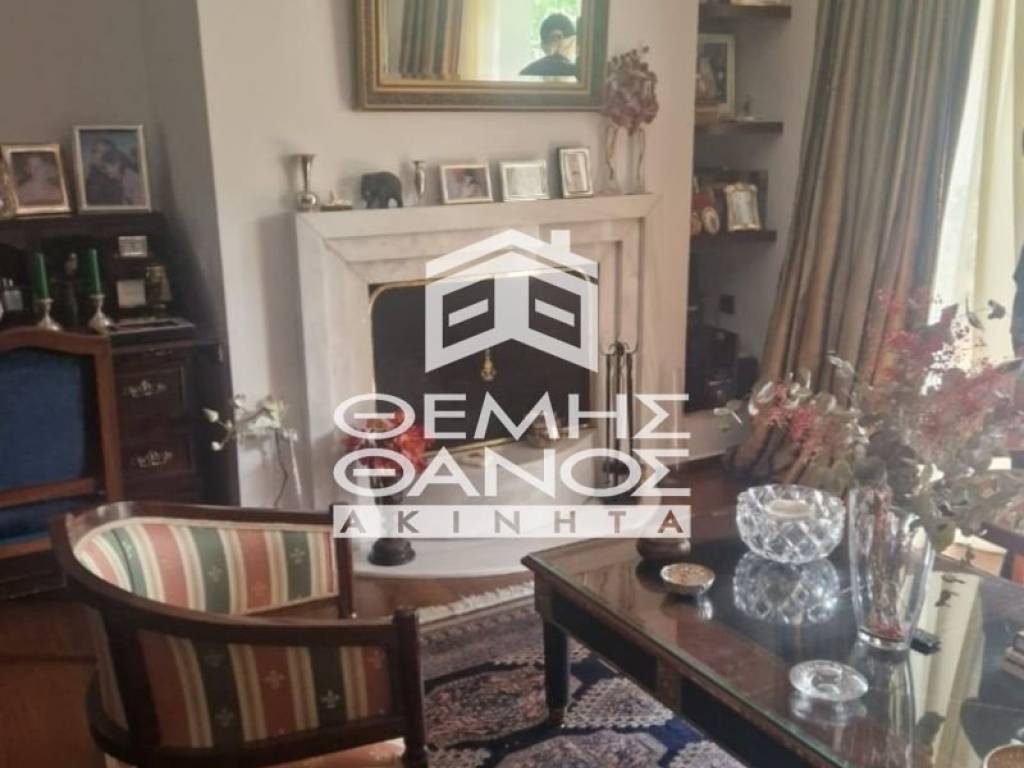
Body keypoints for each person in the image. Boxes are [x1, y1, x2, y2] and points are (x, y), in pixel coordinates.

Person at [519, 13, 578, 79]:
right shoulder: (578, 74)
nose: (574, 48)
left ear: (543, 46)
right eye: (573, 42)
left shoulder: (527, 72)